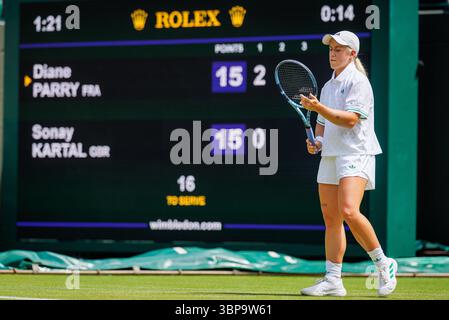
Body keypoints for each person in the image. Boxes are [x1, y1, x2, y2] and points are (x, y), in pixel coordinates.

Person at [299, 31, 398, 297]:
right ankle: (333, 279)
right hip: (331, 155)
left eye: (339, 49)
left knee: (349, 211)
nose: (333, 53)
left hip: (356, 153)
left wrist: (319, 108)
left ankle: (384, 263)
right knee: (331, 218)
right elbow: (322, 125)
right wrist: (317, 142)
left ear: (351, 54)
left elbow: (351, 119)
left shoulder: (359, 83)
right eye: (331, 48)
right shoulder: (328, 86)